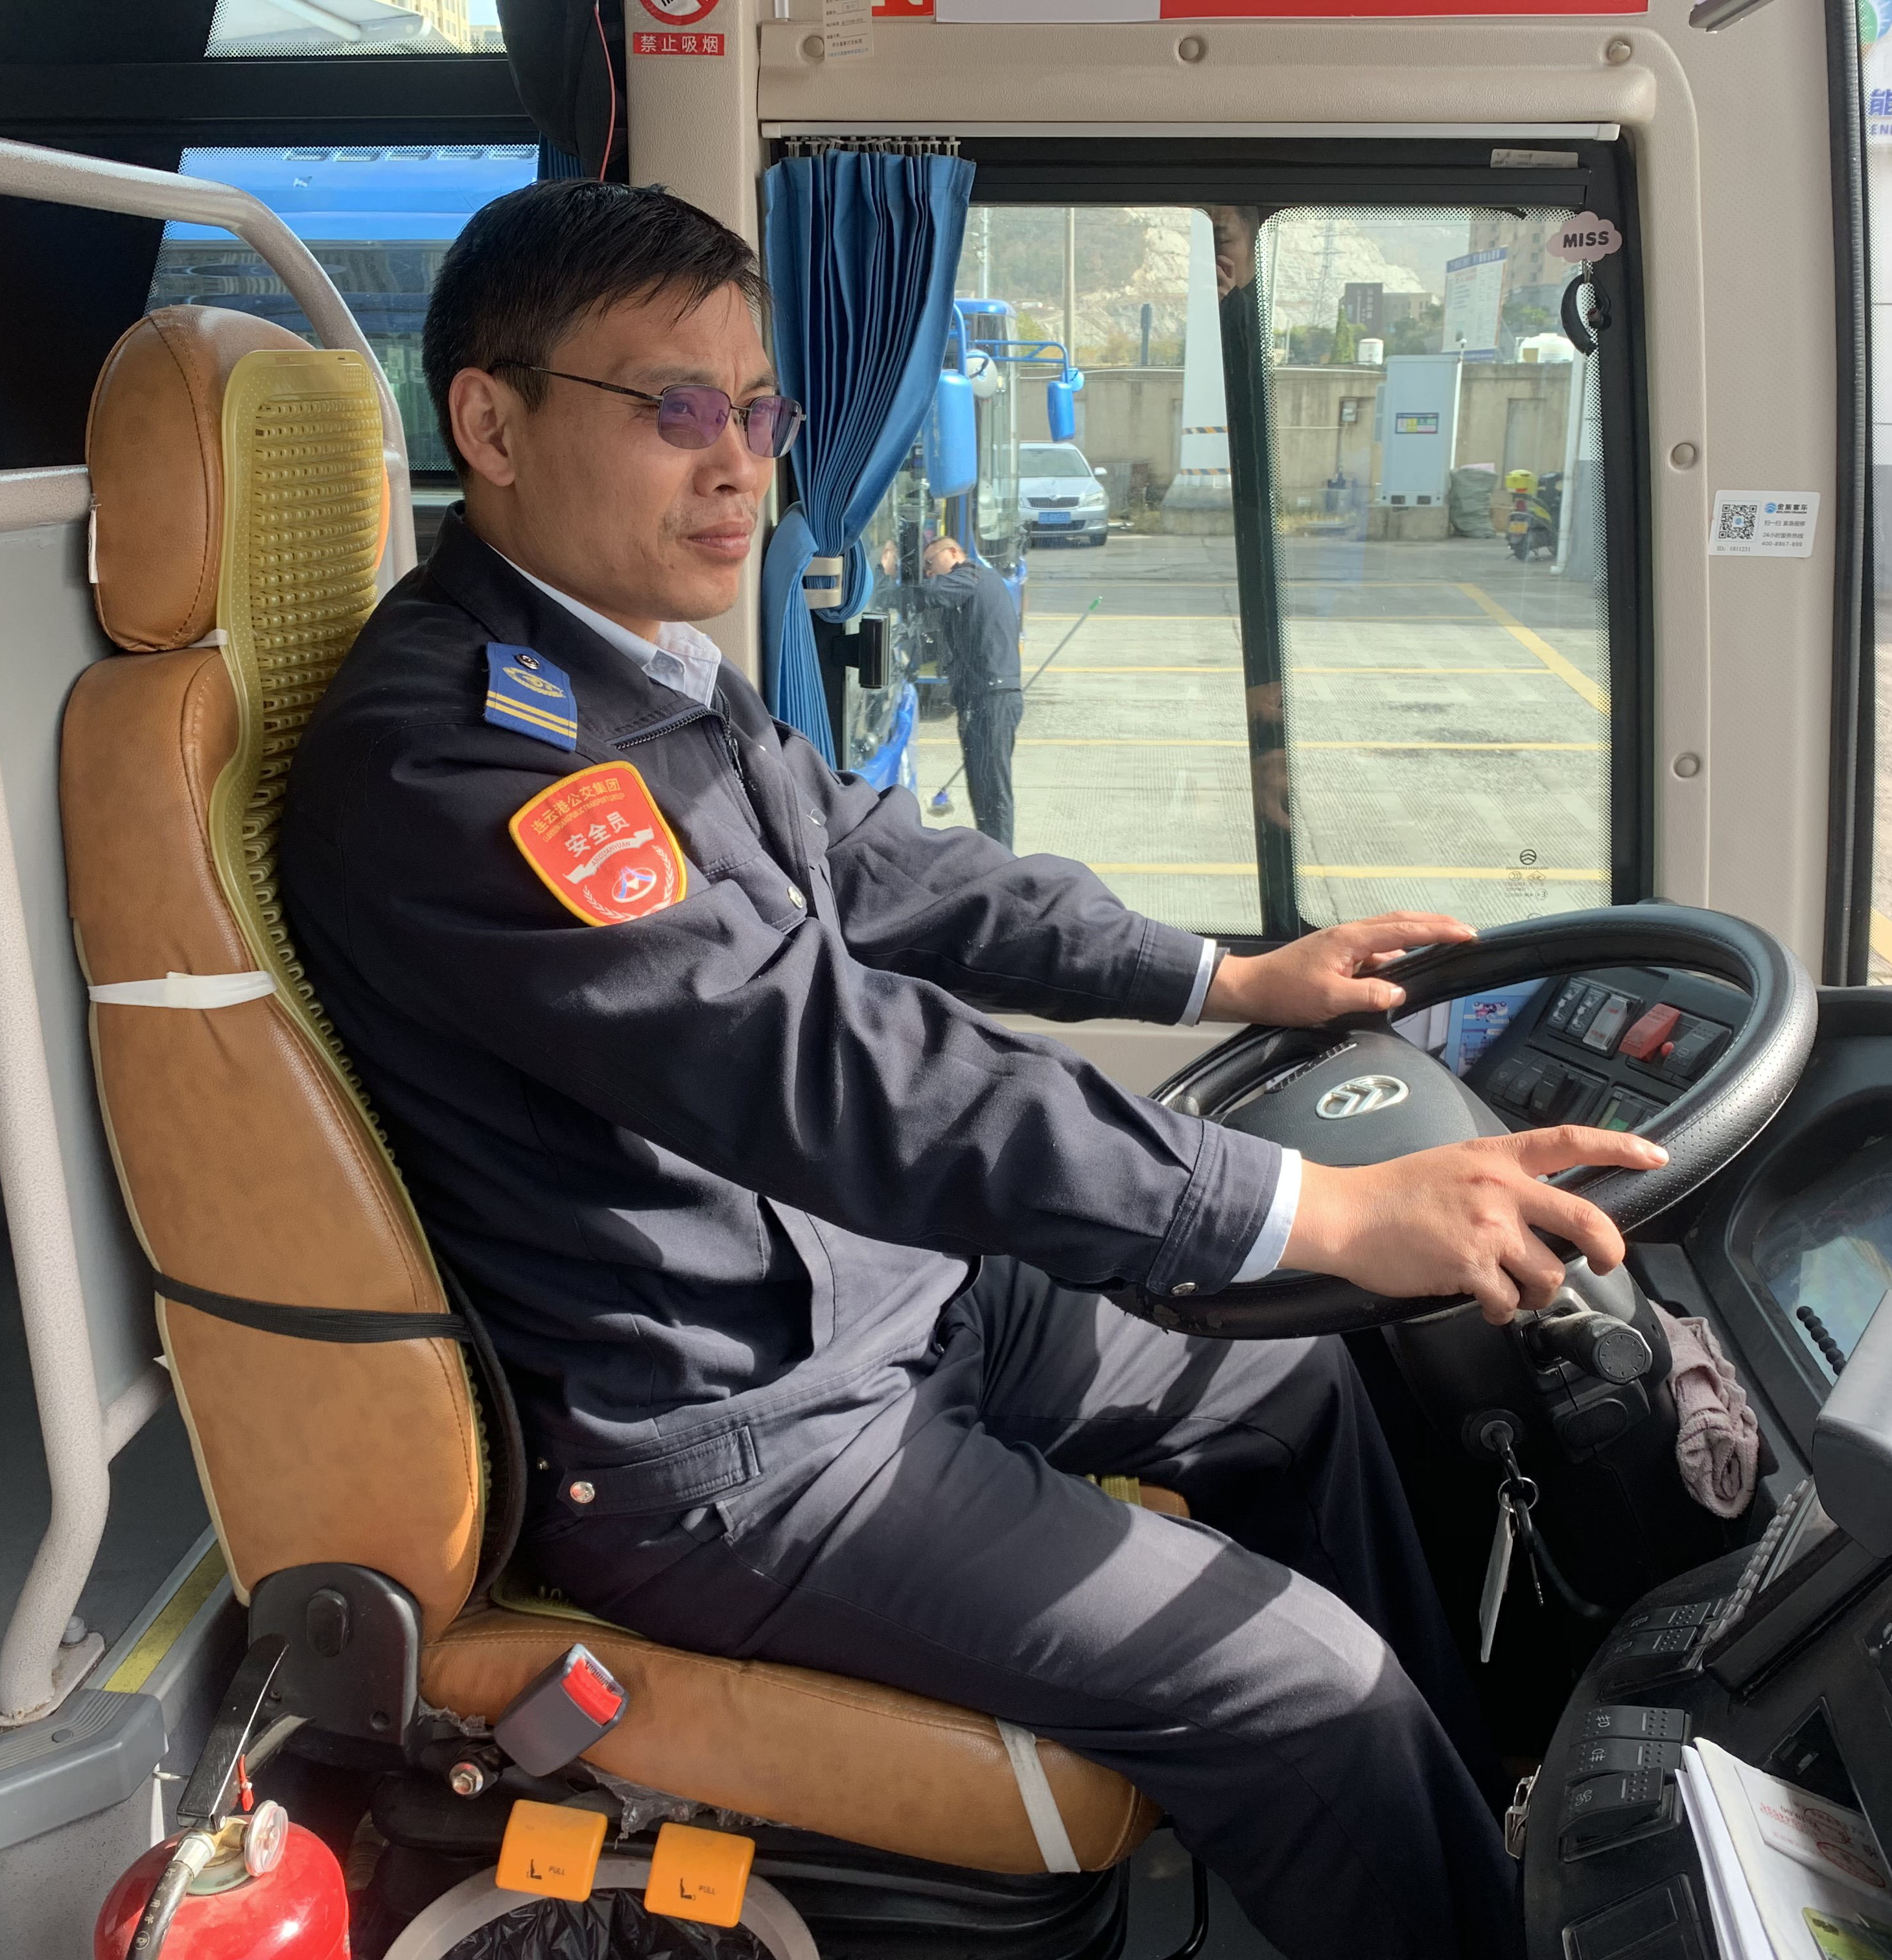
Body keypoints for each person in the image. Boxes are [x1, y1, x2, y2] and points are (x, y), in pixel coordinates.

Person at [280, 178, 1666, 1960]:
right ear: (492, 424)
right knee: (1305, 1687)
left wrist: (1220, 973)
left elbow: (886, 864)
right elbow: (829, 1068)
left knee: (1299, 1384)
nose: (740, 464)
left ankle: (1448, 1829)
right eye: (676, 408)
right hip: (738, 1436)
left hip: (884, 1296)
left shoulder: (632, 672)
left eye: (761, 409)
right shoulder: (464, 758)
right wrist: (1318, 1206)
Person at [915, 533, 1024, 846]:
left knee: (993, 790)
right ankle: (991, 853)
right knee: (981, 785)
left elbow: (930, 594)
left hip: (994, 698)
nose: (929, 572)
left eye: (930, 563)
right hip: (979, 698)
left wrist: (890, 589)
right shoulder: (966, 588)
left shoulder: (971, 575)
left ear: (952, 553)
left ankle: (1002, 860)